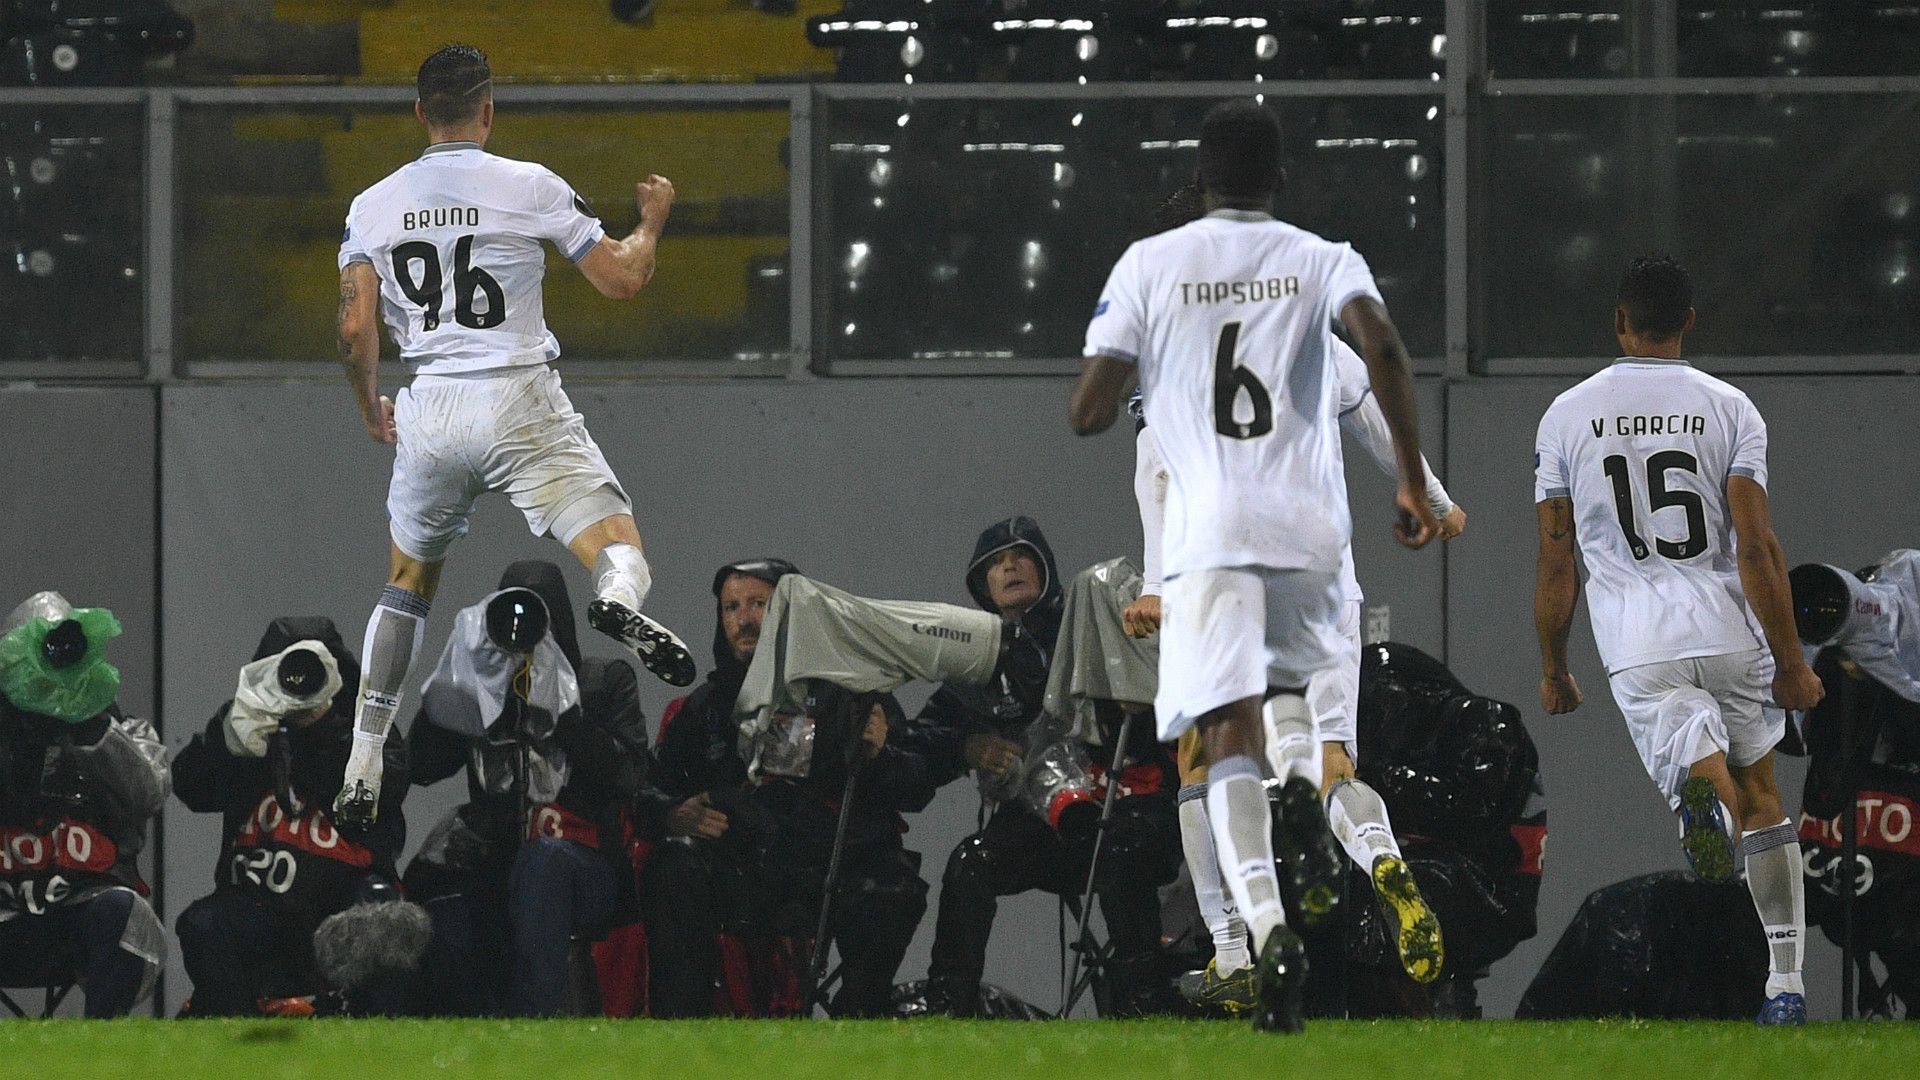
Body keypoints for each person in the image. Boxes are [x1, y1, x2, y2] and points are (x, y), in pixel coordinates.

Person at [1070, 99, 1439, 1032]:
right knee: (1308, 739)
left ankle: (1260, 934)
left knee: (1216, 748)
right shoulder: (1320, 266)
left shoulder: (1155, 278)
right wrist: (1420, 489)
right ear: (1279, 177)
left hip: (1207, 550)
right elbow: (1381, 355)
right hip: (1315, 543)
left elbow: (1113, 428)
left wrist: (1107, 389)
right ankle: (1316, 810)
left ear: (1199, 178)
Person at [331, 43, 694, 828]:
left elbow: (357, 324)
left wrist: (371, 412)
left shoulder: (372, 206)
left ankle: (365, 750)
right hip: (517, 395)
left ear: (420, 113)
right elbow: (624, 278)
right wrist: (653, 221)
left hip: (431, 404)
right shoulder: (528, 185)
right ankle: (618, 599)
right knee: (616, 541)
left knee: (408, 585)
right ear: (488, 112)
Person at [1531, 253, 1826, 1025]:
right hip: (1729, 627)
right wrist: (1791, 662)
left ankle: (1710, 815)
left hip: (1638, 643)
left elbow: (1556, 558)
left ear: (1619, 322)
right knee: (1767, 797)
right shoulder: (1730, 407)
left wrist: (1554, 668)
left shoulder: (1566, 416)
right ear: (1689, 321)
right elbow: (1756, 547)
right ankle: (1786, 985)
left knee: (1716, 805)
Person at [647, 558, 936, 1018]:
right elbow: (654, 787)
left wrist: (881, 755)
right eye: (731, 608)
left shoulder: (853, 689)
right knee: (673, 867)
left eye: (759, 604)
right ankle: (683, 1030)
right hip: (748, 865)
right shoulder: (708, 706)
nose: (744, 619)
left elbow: (918, 787)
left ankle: (856, 1021)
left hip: (840, 861)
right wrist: (673, 813)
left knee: (893, 890)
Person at [403, 561, 669, 1016]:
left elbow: (631, 777)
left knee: (542, 865)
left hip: (582, 863)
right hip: (497, 857)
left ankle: (536, 1029)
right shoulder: (485, 688)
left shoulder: (604, 682)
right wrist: (456, 687)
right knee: (433, 881)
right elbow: (423, 767)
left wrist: (564, 711)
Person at [172, 617, 412, 1015]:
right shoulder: (248, 724)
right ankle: (238, 1042)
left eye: (315, 672)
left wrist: (324, 730)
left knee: (384, 922)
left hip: (344, 903)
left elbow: (386, 789)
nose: (299, 683)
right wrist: (224, 738)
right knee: (205, 926)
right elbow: (189, 788)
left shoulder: (368, 729)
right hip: (258, 904)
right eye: (288, 670)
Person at [0, 593, 168, 1018]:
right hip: (6, 913)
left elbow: (150, 793)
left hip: (81, 912)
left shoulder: (119, 730)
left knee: (124, 910)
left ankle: (99, 1052)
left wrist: (93, 727)